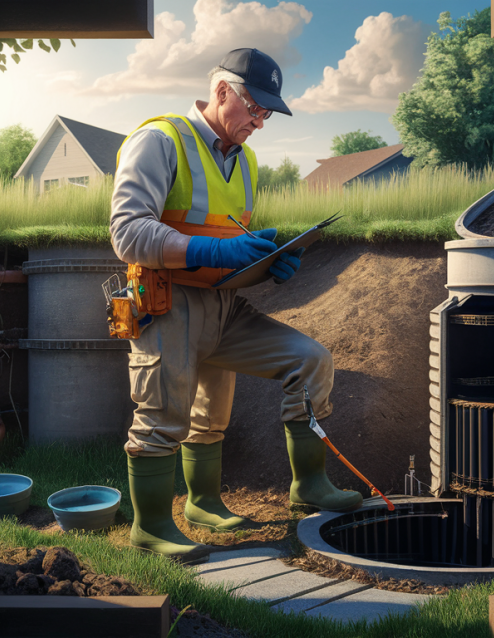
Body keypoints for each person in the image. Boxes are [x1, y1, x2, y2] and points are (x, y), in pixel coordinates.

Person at [110, 48, 363, 563]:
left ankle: (299, 487)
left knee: (308, 360)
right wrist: (211, 250)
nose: (260, 122)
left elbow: (231, 236)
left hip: (224, 305)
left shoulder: (245, 161)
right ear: (222, 90)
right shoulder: (160, 141)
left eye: (268, 113)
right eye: (255, 108)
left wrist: (272, 263)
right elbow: (127, 231)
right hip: (168, 305)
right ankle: (152, 526)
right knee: (162, 415)